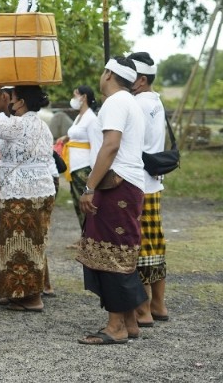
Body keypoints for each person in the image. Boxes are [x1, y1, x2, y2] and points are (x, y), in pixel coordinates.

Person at [76, 57, 148, 345]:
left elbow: (111, 145)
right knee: (119, 248)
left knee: (111, 252)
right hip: (128, 183)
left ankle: (116, 326)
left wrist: (89, 187)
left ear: (108, 74)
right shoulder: (129, 101)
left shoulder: (116, 102)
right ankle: (129, 321)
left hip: (118, 184)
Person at [0, 84, 57, 313]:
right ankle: (22, 293)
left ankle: (30, 298)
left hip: (23, 194)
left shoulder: (18, 124)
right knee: (31, 245)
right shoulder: (43, 126)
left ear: (21, 102)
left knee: (19, 247)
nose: (9, 102)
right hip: (39, 191)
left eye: (12, 98)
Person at [128, 51, 170, 326]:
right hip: (153, 182)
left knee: (139, 245)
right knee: (155, 243)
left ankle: (142, 309)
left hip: (138, 184)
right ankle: (158, 304)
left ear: (141, 79)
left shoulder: (137, 104)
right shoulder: (156, 101)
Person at [59, 85, 103, 235]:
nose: (73, 99)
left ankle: (90, 236)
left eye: (75, 95)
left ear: (84, 97)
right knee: (78, 203)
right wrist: (66, 138)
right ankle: (84, 235)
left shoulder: (91, 119)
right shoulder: (79, 117)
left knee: (85, 204)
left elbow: (95, 145)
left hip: (84, 167)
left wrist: (93, 170)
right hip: (74, 166)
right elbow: (76, 135)